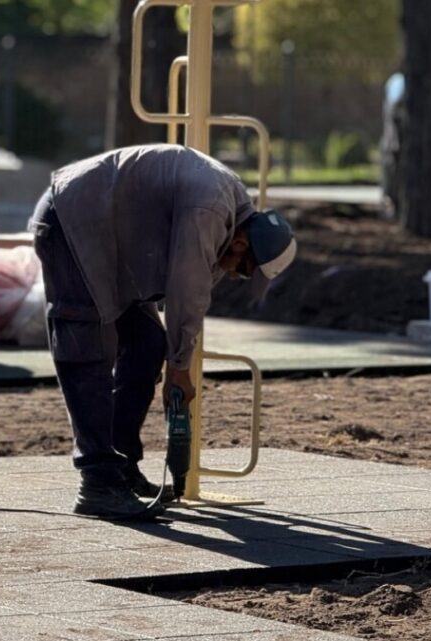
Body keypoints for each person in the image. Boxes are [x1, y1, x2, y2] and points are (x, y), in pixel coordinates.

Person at [30, 143, 296, 521]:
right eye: (243, 270)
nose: (235, 276)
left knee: (147, 342)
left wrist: (175, 358)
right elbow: (188, 286)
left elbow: (192, 285)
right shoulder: (212, 209)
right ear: (241, 243)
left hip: (113, 238)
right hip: (73, 221)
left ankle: (120, 467)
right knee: (86, 348)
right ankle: (98, 484)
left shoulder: (231, 210)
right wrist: (179, 369)